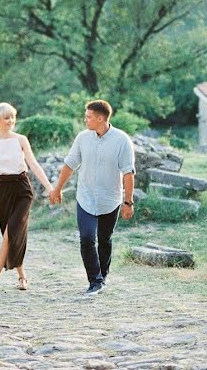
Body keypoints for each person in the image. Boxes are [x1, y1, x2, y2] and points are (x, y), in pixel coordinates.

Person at [49, 100, 135, 295]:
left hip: (110, 199)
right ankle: (94, 280)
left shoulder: (122, 140)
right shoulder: (82, 138)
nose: (85, 119)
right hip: (85, 198)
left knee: (105, 239)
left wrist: (128, 202)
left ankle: (102, 276)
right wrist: (57, 189)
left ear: (100, 118)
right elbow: (70, 164)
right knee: (87, 238)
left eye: (88, 116)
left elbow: (128, 173)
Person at [0, 102, 54, 294]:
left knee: (10, 233)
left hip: (22, 189)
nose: (11, 120)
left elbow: (33, 164)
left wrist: (49, 188)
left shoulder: (21, 140)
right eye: (7, 117)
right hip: (1, 190)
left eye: (13, 116)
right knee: (11, 234)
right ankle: (22, 276)